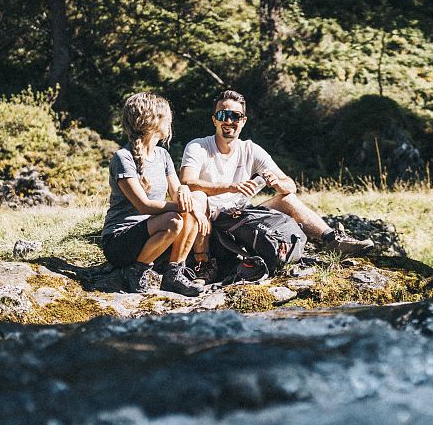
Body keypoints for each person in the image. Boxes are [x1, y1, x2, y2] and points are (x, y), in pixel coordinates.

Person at [179, 89, 375, 271]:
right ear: (214, 120)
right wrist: (230, 187)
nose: (228, 121)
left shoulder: (251, 149)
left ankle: (334, 239)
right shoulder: (198, 146)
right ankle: (203, 263)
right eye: (223, 115)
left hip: (241, 216)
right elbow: (187, 181)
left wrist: (278, 184)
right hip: (209, 219)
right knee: (197, 196)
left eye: (235, 116)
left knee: (287, 199)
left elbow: (291, 185)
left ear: (243, 121)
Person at [100, 92, 208, 297]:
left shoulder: (163, 155)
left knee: (198, 198)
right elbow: (144, 206)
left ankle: (174, 274)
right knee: (175, 220)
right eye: (167, 117)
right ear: (152, 121)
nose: (170, 122)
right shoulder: (123, 158)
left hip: (154, 237)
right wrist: (188, 207)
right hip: (119, 242)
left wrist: (186, 193)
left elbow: (177, 193)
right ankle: (135, 271)